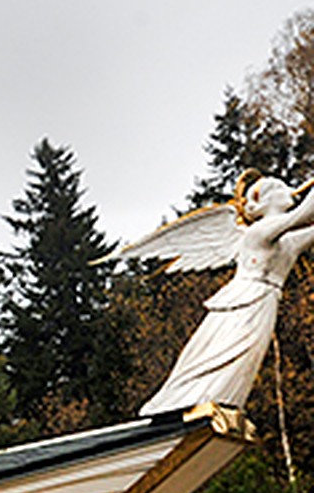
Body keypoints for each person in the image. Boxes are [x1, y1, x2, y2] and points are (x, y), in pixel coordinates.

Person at [134, 174, 314, 415]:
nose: (290, 192)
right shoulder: (258, 232)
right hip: (244, 298)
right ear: (266, 200)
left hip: (266, 301)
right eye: (282, 188)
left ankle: (221, 402)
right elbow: (304, 214)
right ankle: (184, 399)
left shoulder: (288, 241)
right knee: (221, 350)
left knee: (245, 358)